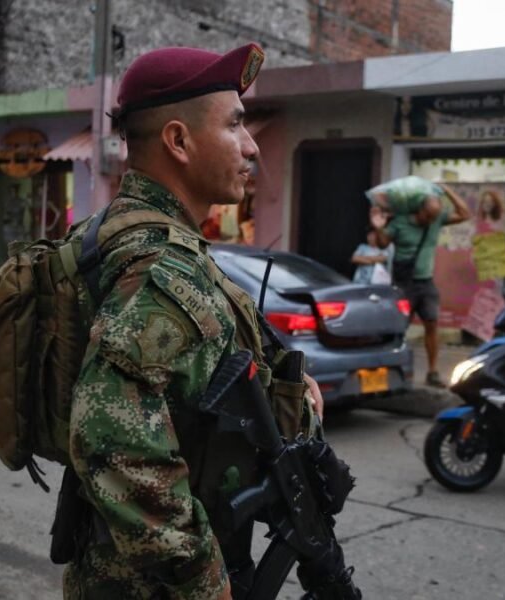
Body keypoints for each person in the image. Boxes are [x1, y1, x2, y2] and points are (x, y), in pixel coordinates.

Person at [62, 44, 338, 599]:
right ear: (179, 141)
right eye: (236, 124)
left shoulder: (118, 232)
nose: (252, 146)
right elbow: (109, 439)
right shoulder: (163, 271)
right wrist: (204, 581)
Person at [371, 183, 472, 387]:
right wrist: (378, 227)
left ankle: (432, 372)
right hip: (403, 284)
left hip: (426, 283)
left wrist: (447, 190)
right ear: (419, 209)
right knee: (398, 328)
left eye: (435, 216)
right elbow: (381, 243)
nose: (431, 220)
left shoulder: (436, 221)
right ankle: (390, 369)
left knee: (432, 325)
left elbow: (465, 213)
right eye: (428, 215)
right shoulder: (400, 223)